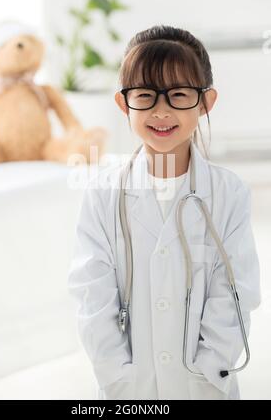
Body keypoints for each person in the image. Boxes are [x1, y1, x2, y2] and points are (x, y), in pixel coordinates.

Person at [67, 25, 261, 400]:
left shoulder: (227, 193)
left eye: (178, 95)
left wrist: (208, 373)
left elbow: (235, 291)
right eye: (145, 96)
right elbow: (93, 295)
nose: (161, 111)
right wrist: (118, 378)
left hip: (205, 386)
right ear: (124, 104)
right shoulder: (103, 194)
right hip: (129, 390)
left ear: (205, 102)